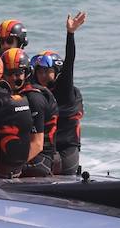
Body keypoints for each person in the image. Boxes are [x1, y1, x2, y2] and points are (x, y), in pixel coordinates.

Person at [33, 11, 87, 173]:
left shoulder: (65, 88)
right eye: (39, 71)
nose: (42, 75)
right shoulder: (35, 91)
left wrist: (70, 34)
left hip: (67, 147)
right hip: (45, 147)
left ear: (56, 72)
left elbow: (69, 61)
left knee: (63, 174)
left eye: (47, 71)